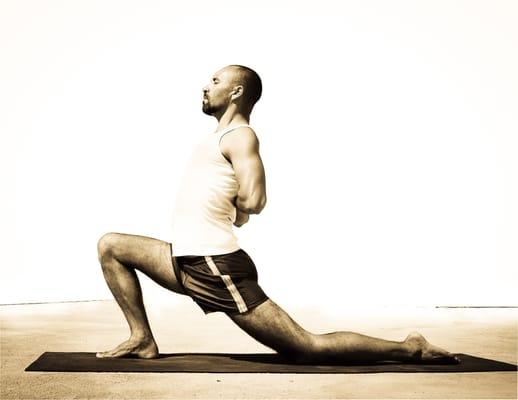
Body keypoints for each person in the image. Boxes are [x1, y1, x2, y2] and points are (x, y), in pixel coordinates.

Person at [96, 65, 459, 364]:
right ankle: (141, 338)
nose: (206, 87)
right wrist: (231, 212)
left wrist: (238, 211)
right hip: (185, 258)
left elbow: (254, 200)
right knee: (112, 246)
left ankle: (411, 347)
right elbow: (237, 205)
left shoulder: (241, 136)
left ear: (237, 92)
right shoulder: (217, 137)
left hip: (214, 264)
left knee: (306, 347)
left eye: (216, 81)